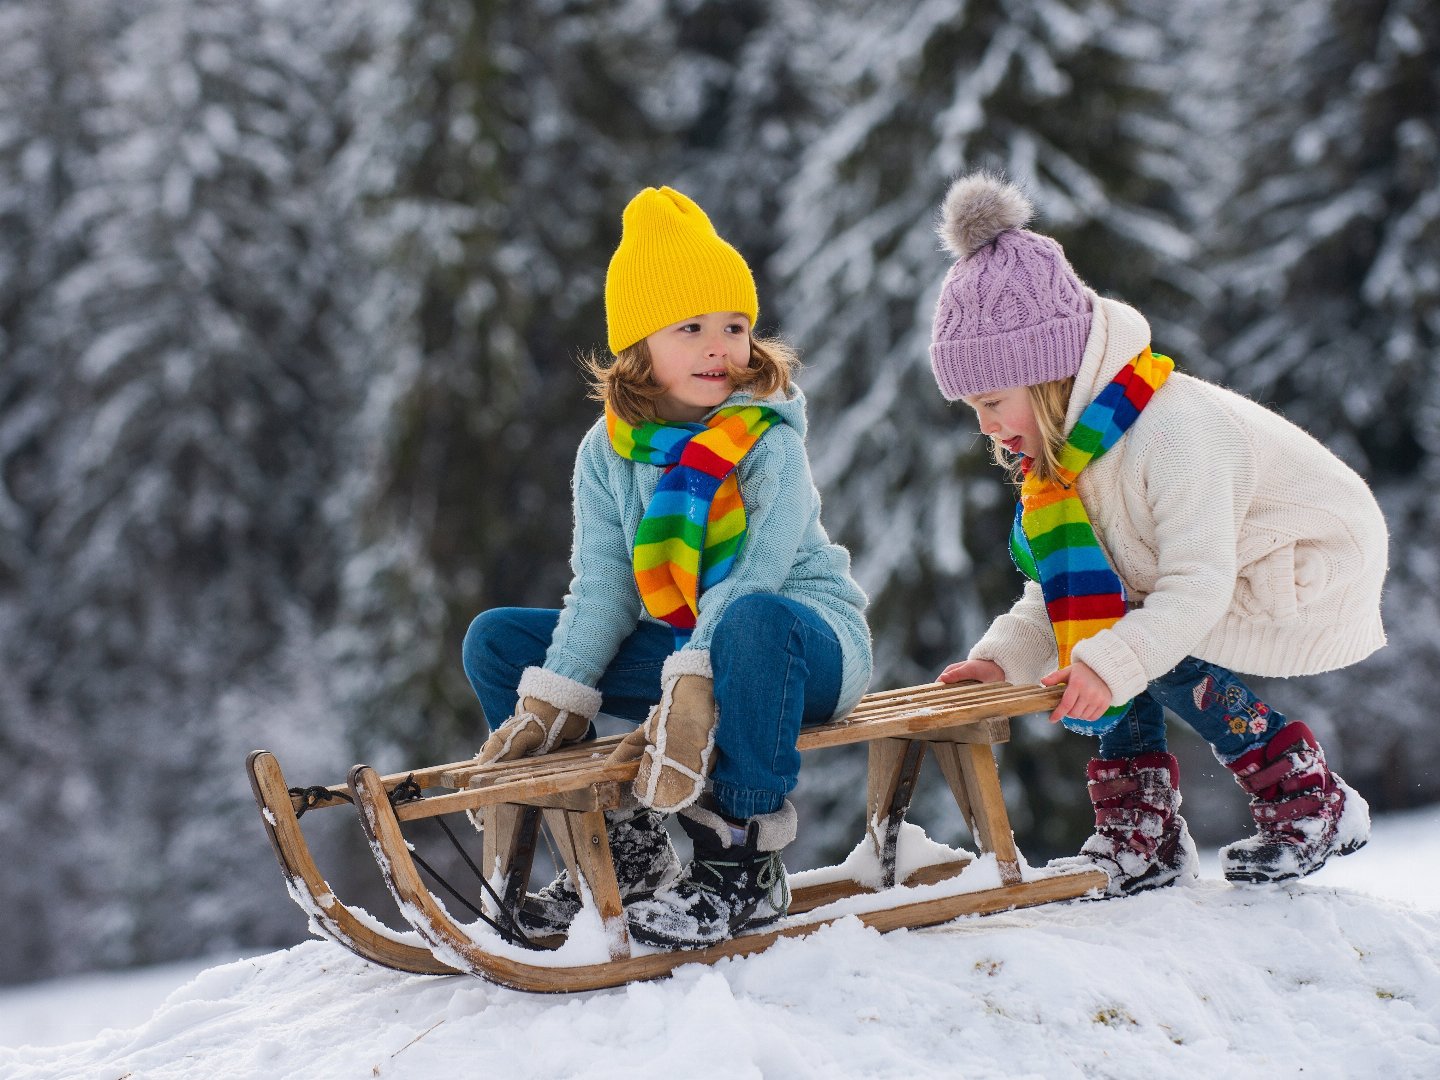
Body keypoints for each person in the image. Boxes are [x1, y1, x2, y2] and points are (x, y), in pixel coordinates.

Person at [928, 172, 1386, 895]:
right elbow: (1062, 590)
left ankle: (1309, 798)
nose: (984, 425)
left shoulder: (1170, 434)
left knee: (1138, 648)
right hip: (1207, 568)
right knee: (1112, 635)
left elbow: (1196, 586)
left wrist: (1112, 659)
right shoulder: (1070, 459)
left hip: (1301, 557)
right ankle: (1142, 836)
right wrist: (1000, 660)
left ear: (1049, 377)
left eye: (991, 401)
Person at [462, 186, 872, 948]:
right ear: (639, 347)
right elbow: (604, 590)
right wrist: (556, 697)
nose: (721, 346)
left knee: (748, 619)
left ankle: (741, 862)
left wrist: (692, 677)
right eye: (692, 328)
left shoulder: (765, 438)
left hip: (796, 647)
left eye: (736, 326)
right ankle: (622, 841)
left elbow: (754, 575)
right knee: (498, 640)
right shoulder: (607, 451)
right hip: (682, 651)